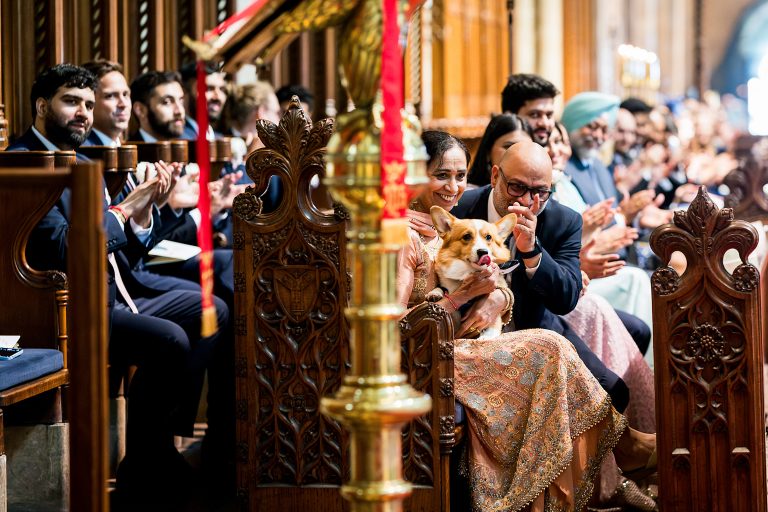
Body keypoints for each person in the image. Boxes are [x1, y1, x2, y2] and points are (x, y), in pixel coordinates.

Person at [398, 130, 656, 511]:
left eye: (459, 176)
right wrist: (468, 296)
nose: (528, 201)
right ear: (496, 176)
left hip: (509, 326)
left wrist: (516, 272)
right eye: (441, 175)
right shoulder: (431, 224)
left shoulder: (555, 219)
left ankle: (606, 473)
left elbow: (556, 296)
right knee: (550, 352)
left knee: (582, 366)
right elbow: (408, 317)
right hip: (442, 343)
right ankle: (617, 463)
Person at [11, 64, 230, 504]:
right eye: (72, 102)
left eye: (88, 105)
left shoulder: (80, 160)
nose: (84, 114)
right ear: (41, 106)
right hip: (69, 304)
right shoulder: (25, 163)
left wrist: (146, 216)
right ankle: (149, 460)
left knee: (213, 308)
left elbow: (121, 249)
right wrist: (124, 212)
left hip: (115, 286)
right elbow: (60, 246)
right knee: (169, 340)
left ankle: (193, 447)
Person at [452, 139, 631, 412]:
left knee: (613, 392)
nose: (526, 201)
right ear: (495, 175)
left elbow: (566, 299)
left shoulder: (564, 221)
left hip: (533, 324)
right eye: (517, 187)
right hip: (468, 331)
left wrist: (532, 250)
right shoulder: (461, 208)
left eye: (539, 192)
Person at [549, 121, 654, 349]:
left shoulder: (567, 182)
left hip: (584, 269)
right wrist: (587, 247)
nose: (556, 150)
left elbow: (597, 225)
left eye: (561, 143)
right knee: (635, 280)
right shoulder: (549, 185)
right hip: (568, 281)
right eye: (549, 143)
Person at [468, 113, 531, 187]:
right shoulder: (466, 195)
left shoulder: (542, 195)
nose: (518, 155)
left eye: (526, 148)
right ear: (488, 152)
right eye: (509, 146)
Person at [81, 59, 131, 146]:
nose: (123, 104)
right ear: (88, 104)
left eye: (125, 94)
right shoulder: (80, 154)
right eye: (110, 96)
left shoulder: (134, 150)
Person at [129, 70, 186, 141]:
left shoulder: (188, 149)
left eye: (181, 101)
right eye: (167, 102)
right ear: (140, 110)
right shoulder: (131, 151)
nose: (180, 111)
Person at [179, 62, 229, 138]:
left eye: (222, 89)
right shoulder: (179, 140)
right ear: (184, 92)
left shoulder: (219, 138)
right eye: (208, 88)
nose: (218, 96)